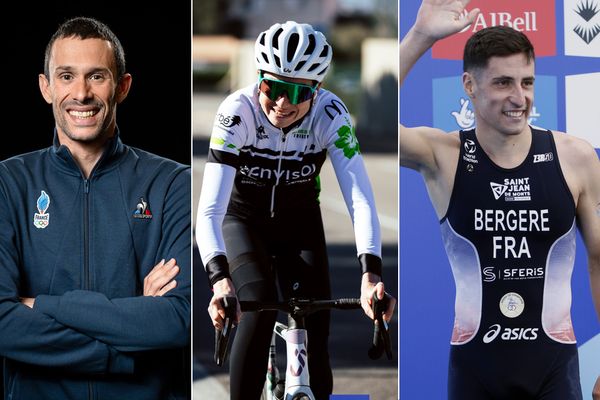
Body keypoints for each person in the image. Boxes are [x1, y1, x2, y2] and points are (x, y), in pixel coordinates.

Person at [400, 1, 600, 399]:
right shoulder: (443, 155)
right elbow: (365, 131)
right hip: (476, 371)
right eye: (503, 82)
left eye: (526, 82)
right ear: (469, 86)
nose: (519, 98)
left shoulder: (575, 156)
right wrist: (420, 37)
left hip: (554, 371)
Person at [196, 20, 396, 400]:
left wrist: (371, 275)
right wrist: (220, 280)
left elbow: (360, 198)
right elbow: (208, 212)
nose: (281, 103)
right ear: (260, 79)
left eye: (295, 91)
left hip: (299, 223)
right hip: (244, 222)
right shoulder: (237, 112)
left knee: (316, 331)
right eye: (272, 86)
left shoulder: (331, 115)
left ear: (316, 89)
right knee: (256, 308)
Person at [0, 17, 191, 400]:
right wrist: (128, 347)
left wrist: (42, 304)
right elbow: (3, 323)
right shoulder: (9, 182)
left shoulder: (173, 183)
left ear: (122, 87)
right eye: (67, 76)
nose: (82, 93)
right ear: (46, 87)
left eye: (97, 77)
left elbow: (179, 319)